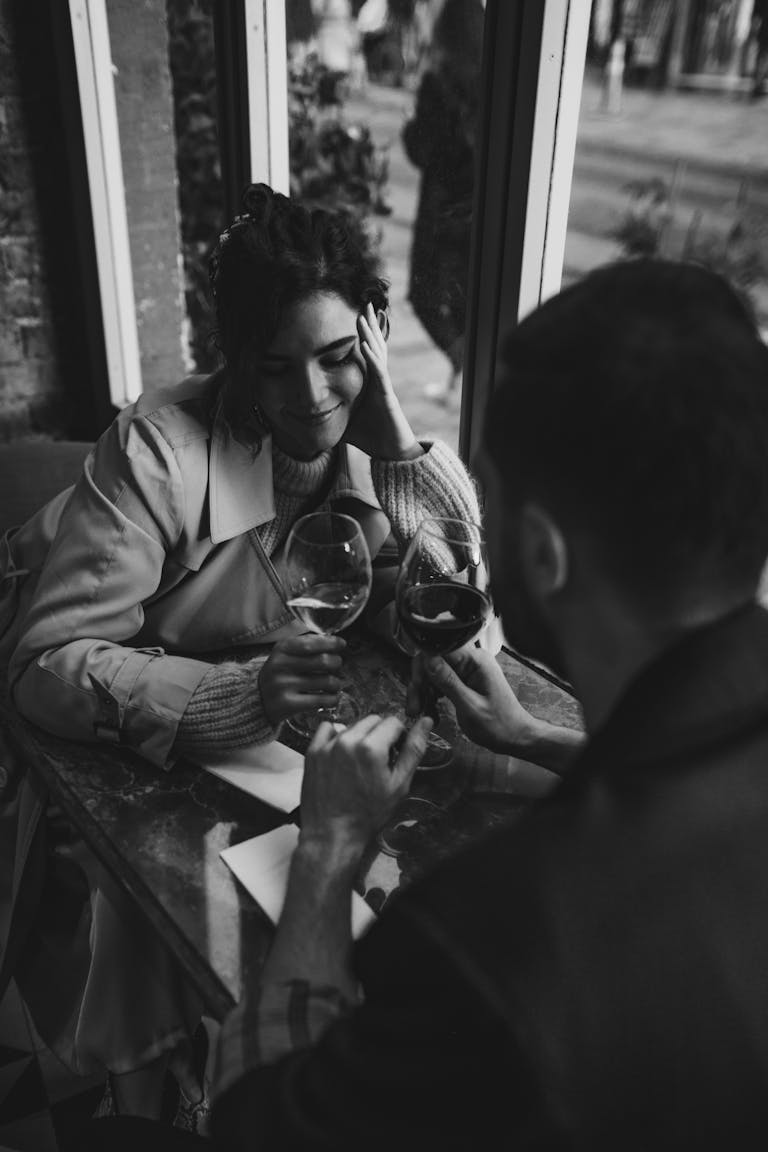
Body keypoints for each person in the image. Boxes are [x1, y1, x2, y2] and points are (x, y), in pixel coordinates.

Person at [201, 258, 768, 1149]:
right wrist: (532, 736)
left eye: (489, 492)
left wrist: (328, 848)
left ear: (540, 554)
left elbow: (258, 1128)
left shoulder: (483, 946)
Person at [0, 183, 482, 1130]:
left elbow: (456, 594)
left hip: (274, 734)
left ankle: (259, 1077)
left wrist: (390, 427)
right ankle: (149, 1110)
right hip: (108, 734)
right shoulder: (157, 449)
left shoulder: (368, 430)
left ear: (374, 340)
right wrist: (237, 696)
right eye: (276, 368)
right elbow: (42, 665)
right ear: (237, 365)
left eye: (340, 359)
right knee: (169, 925)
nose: (310, 398)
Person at [402, 0, 484, 402]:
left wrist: (409, 126)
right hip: (475, 205)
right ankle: (462, 380)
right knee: (467, 298)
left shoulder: (439, 81)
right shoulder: (492, 78)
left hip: (439, 207)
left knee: (425, 296)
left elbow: (423, 150)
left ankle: (463, 367)